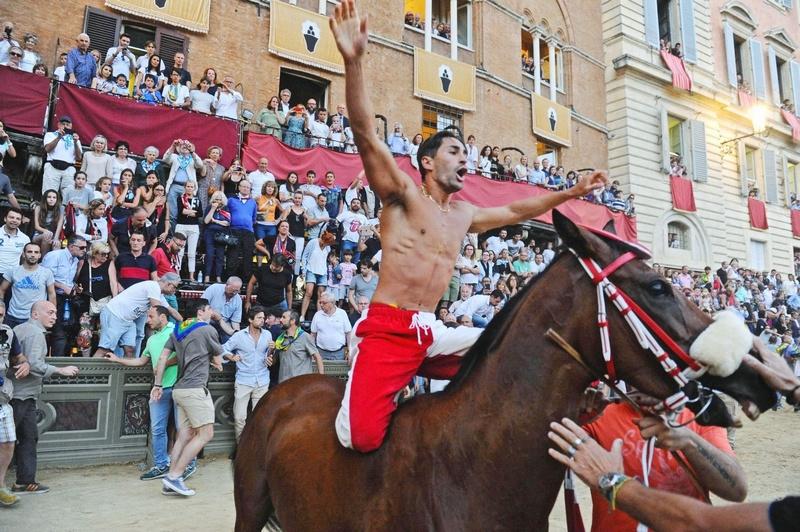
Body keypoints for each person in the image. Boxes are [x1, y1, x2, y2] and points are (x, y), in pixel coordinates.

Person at [328, 0, 605, 452]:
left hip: (430, 331)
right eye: (454, 151)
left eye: (465, 153)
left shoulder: (464, 215)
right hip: (387, 331)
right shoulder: (401, 195)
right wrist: (353, 61)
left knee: (509, 346)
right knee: (358, 439)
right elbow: (364, 132)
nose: (464, 159)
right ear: (427, 161)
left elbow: (520, 211)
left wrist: (571, 193)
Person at [548, 340, 800, 532]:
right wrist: (571, 410)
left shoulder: (696, 417)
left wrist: (690, 442)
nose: (642, 378)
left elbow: (736, 490)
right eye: (634, 367)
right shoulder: (600, 414)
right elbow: (541, 448)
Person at [103, 306, 191, 481]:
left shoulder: (176, 330)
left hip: (179, 387)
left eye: (151, 316)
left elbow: (187, 354)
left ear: (163, 317)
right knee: (158, 429)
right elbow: (142, 361)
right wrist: (118, 359)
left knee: (183, 429)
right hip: (160, 388)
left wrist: (163, 363)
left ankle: (188, 464)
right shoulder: (151, 340)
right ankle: (161, 465)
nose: (148, 320)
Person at [150, 298, 223, 497]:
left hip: (178, 389)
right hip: (195, 390)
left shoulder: (176, 330)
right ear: (200, 312)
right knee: (206, 434)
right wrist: (214, 359)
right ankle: (175, 476)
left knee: (184, 435)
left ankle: (169, 481)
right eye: (209, 309)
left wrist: (157, 384)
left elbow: (163, 358)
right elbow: (218, 360)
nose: (211, 312)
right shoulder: (207, 330)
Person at [10, 301, 78, 494]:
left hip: (20, 395)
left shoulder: (19, 329)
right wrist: (60, 370)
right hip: (21, 396)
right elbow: (33, 364)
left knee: (27, 438)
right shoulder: (34, 334)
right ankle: (24, 480)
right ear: (35, 315)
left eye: (55, 312)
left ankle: (25, 481)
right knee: (22, 439)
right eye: (50, 312)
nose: (55, 316)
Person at [93, 274, 182, 359]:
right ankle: (89, 373)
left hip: (128, 320)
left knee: (130, 350)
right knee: (104, 349)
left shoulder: (159, 294)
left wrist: (184, 322)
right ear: (168, 284)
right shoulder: (153, 287)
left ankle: (127, 374)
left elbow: (171, 310)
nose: (175, 290)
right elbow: (157, 311)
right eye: (175, 287)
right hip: (114, 314)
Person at [222, 306, 275, 440]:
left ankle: (256, 449)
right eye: (259, 318)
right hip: (243, 380)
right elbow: (223, 349)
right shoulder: (239, 336)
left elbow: (267, 355)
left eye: (263, 318)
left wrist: (270, 353)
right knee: (240, 417)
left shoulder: (267, 334)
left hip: (262, 380)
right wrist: (231, 357)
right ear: (250, 319)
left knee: (259, 418)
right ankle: (241, 448)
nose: (263, 320)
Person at [0, 299, 28, 507]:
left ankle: (0, 487)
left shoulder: (8, 333)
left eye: (1, 315)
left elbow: (18, 357)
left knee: (8, 442)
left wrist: (25, 363)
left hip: (3, 397)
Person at [40, 235, 87, 357]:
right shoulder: (54, 256)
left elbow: (67, 280)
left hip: (66, 299)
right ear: (71, 246)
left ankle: (62, 364)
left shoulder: (76, 260)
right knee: (56, 333)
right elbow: (43, 277)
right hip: (50, 297)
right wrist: (62, 286)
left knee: (67, 332)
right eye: (82, 247)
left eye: (85, 247)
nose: (84, 250)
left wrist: (74, 287)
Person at [0, 243, 56, 329]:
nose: (33, 255)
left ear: (39, 255)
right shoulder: (13, 271)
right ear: (23, 254)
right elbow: (2, 290)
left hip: (35, 318)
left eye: (36, 252)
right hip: (12, 317)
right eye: (29, 252)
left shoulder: (47, 273)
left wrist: (52, 315)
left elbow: (52, 294)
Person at [270, 310, 324, 384]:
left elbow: (317, 357)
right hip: (283, 384)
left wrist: (321, 380)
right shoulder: (280, 339)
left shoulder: (305, 337)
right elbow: (273, 362)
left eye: (284, 317)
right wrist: (271, 350)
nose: (280, 320)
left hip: (301, 384)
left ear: (292, 321)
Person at [164, 139, 205, 232]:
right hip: (174, 187)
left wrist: (192, 152)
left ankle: (182, 237)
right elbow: (165, 159)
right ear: (179, 149)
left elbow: (200, 165)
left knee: (186, 212)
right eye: (183, 146)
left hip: (187, 189)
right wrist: (173, 146)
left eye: (187, 147)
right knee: (172, 213)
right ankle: (173, 235)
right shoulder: (175, 157)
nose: (185, 148)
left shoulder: (192, 159)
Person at [225, 179, 257, 282]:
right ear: (239, 187)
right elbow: (226, 214)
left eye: (248, 187)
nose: (245, 189)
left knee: (248, 256)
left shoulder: (253, 202)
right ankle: (230, 279)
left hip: (248, 232)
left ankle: (246, 281)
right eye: (243, 186)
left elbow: (253, 218)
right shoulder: (231, 200)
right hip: (234, 230)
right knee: (232, 255)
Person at [42, 116, 82, 194]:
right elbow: (47, 150)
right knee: (49, 193)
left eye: (67, 124)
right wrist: (58, 137)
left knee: (68, 194)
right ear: (58, 125)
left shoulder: (75, 139)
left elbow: (79, 157)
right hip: (52, 165)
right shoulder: (50, 135)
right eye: (63, 124)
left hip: (69, 168)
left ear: (71, 126)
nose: (65, 126)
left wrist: (75, 142)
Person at [310, 292, 352, 361]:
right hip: (321, 352)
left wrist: (350, 351)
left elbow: (348, 333)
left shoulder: (342, 313)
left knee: (338, 372)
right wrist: (312, 352)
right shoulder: (317, 315)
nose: (321, 305)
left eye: (324, 303)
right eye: (320, 302)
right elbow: (312, 335)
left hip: (339, 352)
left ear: (332, 303)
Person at [174, 180, 201, 281]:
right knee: (179, 252)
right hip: (181, 226)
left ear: (194, 188)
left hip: (193, 227)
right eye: (188, 186)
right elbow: (182, 211)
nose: (189, 188)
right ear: (185, 187)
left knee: (191, 253)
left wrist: (189, 212)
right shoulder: (180, 198)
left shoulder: (197, 200)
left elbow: (200, 213)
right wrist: (193, 212)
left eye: (191, 187)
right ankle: (177, 274)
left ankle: (191, 276)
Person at [202, 277, 243, 343]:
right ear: (226, 285)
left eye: (237, 291)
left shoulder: (238, 300)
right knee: (208, 335)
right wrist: (211, 313)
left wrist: (237, 334)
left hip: (224, 323)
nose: (234, 293)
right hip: (207, 319)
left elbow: (235, 322)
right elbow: (201, 305)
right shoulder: (214, 288)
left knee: (233, 339)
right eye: (232, 291)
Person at [203, 191, 231, 284]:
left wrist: (215, 221)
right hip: (210, 233)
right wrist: (213, 209)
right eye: (216, 199)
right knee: (209, 254)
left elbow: (227, 223)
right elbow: (206, 221)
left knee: (220, 255)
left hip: (221, 234)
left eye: (220, 199)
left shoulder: (225, 208)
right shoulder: (209, 207)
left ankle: (218, 276)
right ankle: (207, 276)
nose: (218, 201)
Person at [0, 208, 29, 282]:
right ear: (5, 219)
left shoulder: (25, 238)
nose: (14, 220)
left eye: (18, 219)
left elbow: (25, 259)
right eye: (11, 217)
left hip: (12, 276)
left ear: (20, 221)